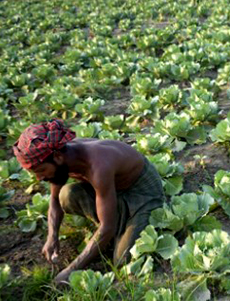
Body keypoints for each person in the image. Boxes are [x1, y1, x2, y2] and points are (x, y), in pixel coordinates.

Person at [13, 119, 164, 284]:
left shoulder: (98, 165)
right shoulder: (60, 157)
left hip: (142, 191)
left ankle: (122, 229)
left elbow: (107, 227)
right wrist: (52, 236)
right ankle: (113, 232)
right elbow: (55, 201)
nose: (39, 177)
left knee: (123, 262)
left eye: (41, 170)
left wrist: (71, 270)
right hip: (112, 191)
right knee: (66, 195)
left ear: (57, 157)